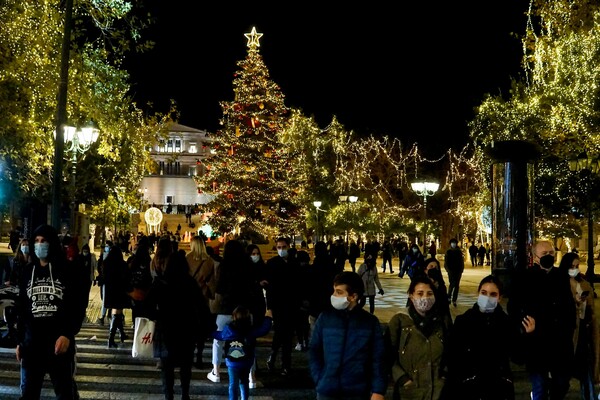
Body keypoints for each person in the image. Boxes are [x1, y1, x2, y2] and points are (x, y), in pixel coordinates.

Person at [15, 224, 82, 399]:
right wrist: (20, 341)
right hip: (32, 345)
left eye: (43, 241)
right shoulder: (28, 271)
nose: (39, 245)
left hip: (58, 344)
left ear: (51, 243)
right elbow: (23, 308)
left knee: (65, 393)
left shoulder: (67, 270)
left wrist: (67, 334)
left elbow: (76, 305)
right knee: (29, 393)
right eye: (36, 241)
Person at [507, 240, 575, 400]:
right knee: (540, 385)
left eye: (551, 253)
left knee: (562, 384)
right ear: (535, 257)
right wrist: (524, 326)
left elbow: (569, 307)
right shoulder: (524, 278)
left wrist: (568, 328)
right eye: (544, 254)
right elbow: (514, 307)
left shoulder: (561, 276)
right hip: (537, 342)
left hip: (560, 342)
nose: (549, 256)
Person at [445, 275, 529, 400]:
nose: (487, 298)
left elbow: (518, 357)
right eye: (484, 293)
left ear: (499, 298)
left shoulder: (506, 324)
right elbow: (453, 356)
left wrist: (525, 336)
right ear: (478, 293)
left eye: (493, 294)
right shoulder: (464, 321)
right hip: (469, 387)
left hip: (498, 389)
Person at [309, 271, 387, 400]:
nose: (334, 296)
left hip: (357, 391)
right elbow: (314, 350)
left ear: (353, 296)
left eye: (339, 292)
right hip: (326, 390)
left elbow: (378, 358)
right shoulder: (325, 318)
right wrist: (319, 378)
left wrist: (378, 390)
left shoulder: (369, 322)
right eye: (334, 291)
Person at [145, 250, 208, 400]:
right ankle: (185, 394)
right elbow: (201, 305)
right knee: (186, 365)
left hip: (166, 328)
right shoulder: (190, 282)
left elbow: (148, 306)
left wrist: (158, 316)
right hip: (187, 327)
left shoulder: (160, 283)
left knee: (167, 366)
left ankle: (169, 395)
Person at [385, 275, 450, 400]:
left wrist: (444, 375)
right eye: (420, 293)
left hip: (438, 391)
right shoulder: (400, 321)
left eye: (429, 293)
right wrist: (402, 379)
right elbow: (388, 354)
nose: (425, 298)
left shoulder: (443, 322)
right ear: (411, 295)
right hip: (410, 392)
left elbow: (451, 351)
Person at [208, 239, 257, 384]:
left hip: (226, 308)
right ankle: (251, 376)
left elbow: (219, 288)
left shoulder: (224, 266)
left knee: (219, 340)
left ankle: (216, 371)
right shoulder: (248, 265)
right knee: (249, 340)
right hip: (245, 309)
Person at [558, 252, 598, 400]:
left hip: (582, 333)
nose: (574, 269)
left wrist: (584, 305)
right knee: (563, 378)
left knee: (586, 373)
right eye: (571, 266)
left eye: (577, 266)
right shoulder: (560, 284)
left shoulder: (584, 284)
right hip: (567, 335)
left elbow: (591, 312)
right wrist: (573, 303)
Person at [212, 306, 273, 400]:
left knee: (233, 384)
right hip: (247, 361)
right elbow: (263, 330)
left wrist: (207, 330)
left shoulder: (229, 330)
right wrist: (268, 318)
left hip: (232, 363)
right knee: (244, 382)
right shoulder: (251, 330)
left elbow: (218, 335)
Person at [265, 237, 301, 376]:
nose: (281, 250)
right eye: (279, 247)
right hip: (278, 305)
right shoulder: (272, 263)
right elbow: (270, 288)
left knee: (288, 335)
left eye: (283, 247)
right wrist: (270, 307)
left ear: (288, 247)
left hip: (292, 305)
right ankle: (274, 357)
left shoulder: (294, 263)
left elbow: (299, 285)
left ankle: (285, 363)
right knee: (280, 333)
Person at [185, 235, 216, 369]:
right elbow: (212, 282)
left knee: (189, 327)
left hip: (189, 297)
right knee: (201, 328)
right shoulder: (209, 261)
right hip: (202, 297)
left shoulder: (187, 259)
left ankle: (189, 355)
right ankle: (199, 355)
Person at [103, 244, 131, 348]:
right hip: (119, 291)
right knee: (117, 312)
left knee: (117, 313)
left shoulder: (106, 263)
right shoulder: (122, 264)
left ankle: (121, 334)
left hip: (110, 291)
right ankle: (111, 338)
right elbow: (126, 277)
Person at [444, 238, 464, 307]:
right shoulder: (448, 252)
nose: (454, 244)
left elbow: (461, 261)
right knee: (452, 284)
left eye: (455, 243)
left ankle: (454, 300)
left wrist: (461, 269)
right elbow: (446, 262)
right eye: (452, 243)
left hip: (458, 271)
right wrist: (448, 270)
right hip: (451, 271)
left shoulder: (459, 251)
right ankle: (449, 297)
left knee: (457, 286)